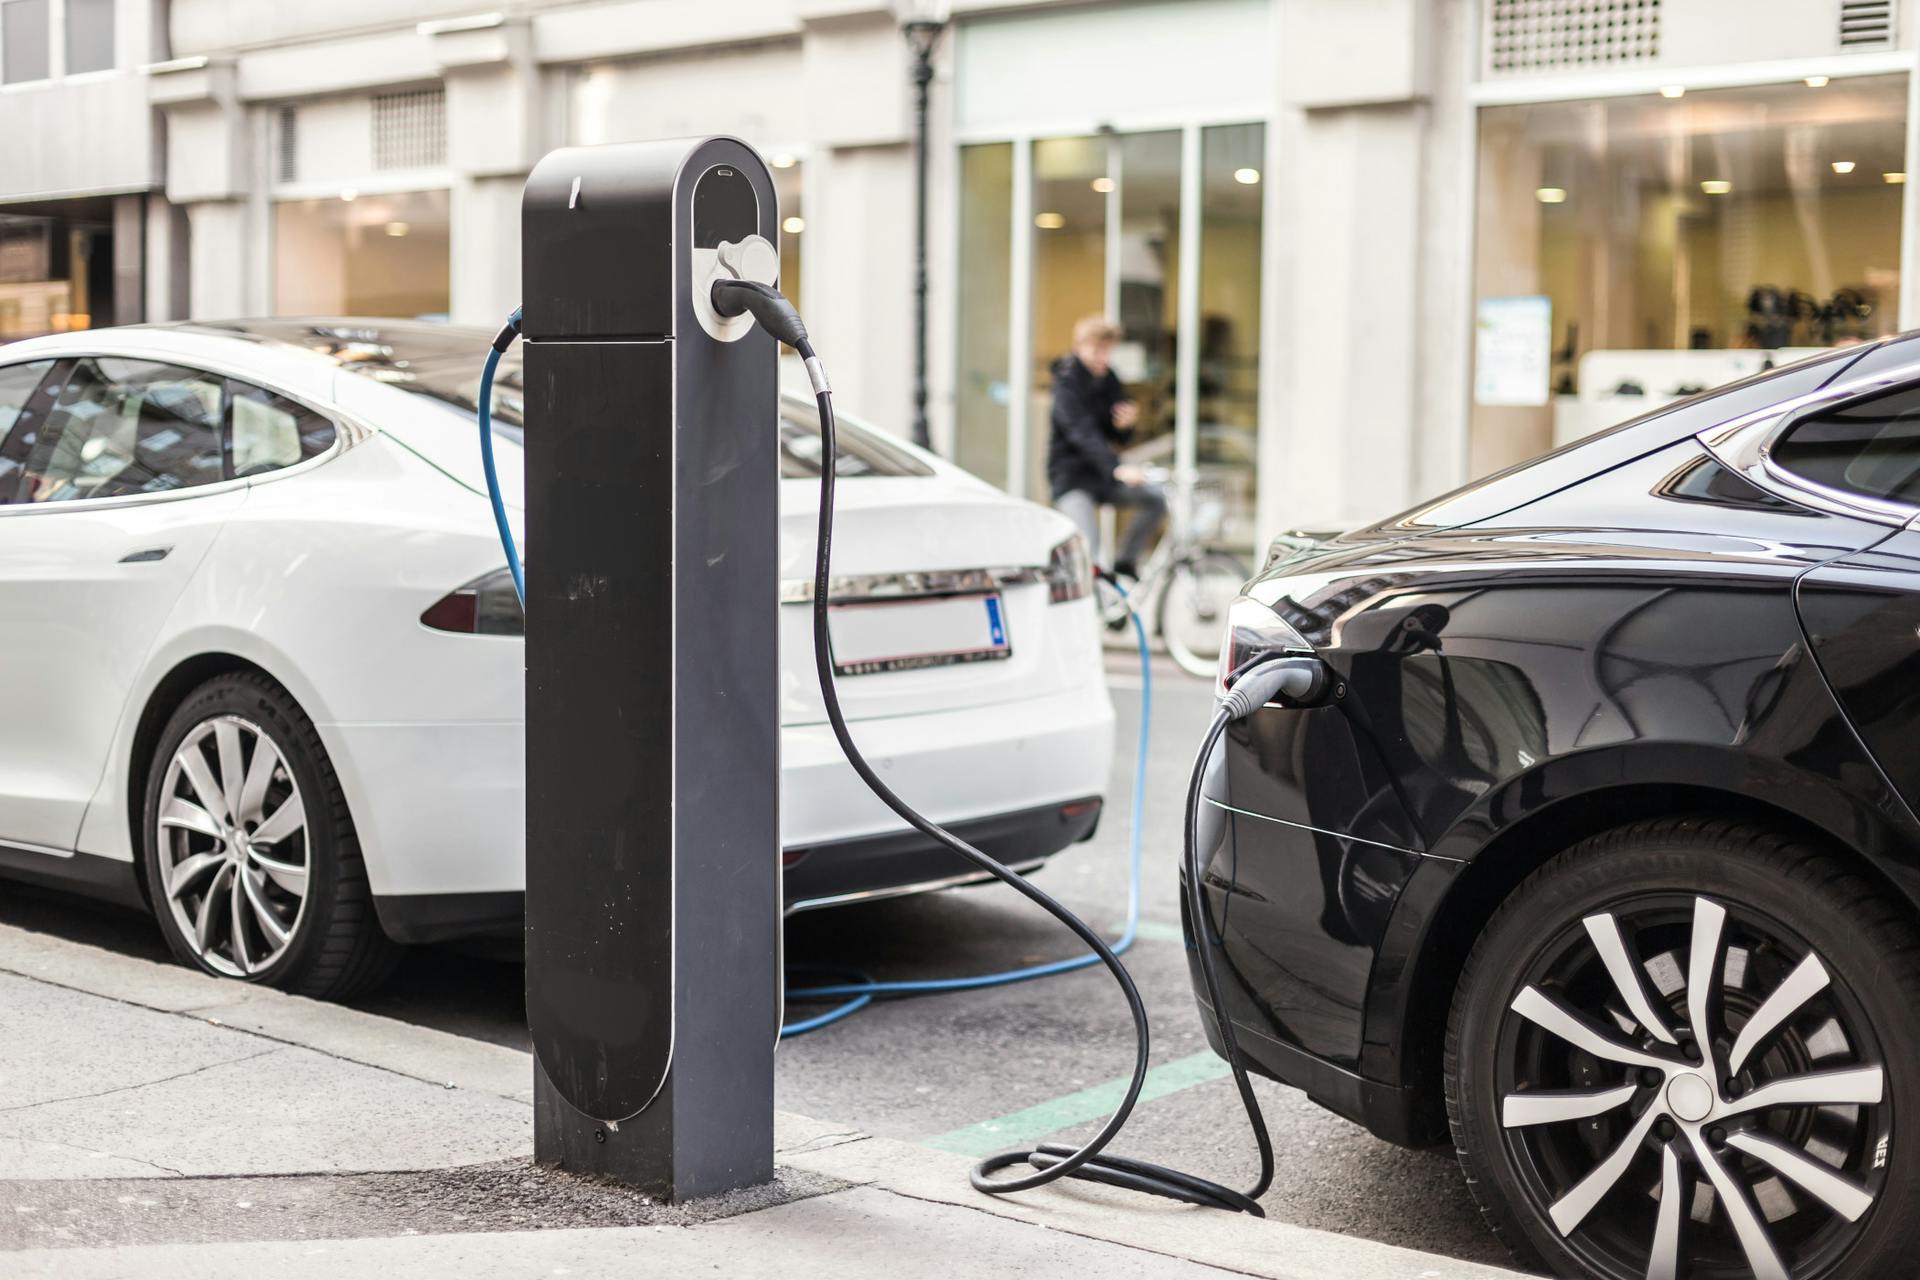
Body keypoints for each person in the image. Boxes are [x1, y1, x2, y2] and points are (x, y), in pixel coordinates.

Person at [1047, 316, 1166, 578]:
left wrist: (1126, 425)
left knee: (1155, 500)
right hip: (1072, 478)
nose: (1103, 358)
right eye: (1097, 350)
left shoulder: (1109, 379)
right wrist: (1115, 468)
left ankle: (1125, 564)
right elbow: (1081, 434)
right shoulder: (1066, 383)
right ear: (1079, 347)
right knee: (1089, 548)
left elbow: (1117, 435)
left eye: (1108, 351)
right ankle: (1092, 597)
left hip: (1101, 475)